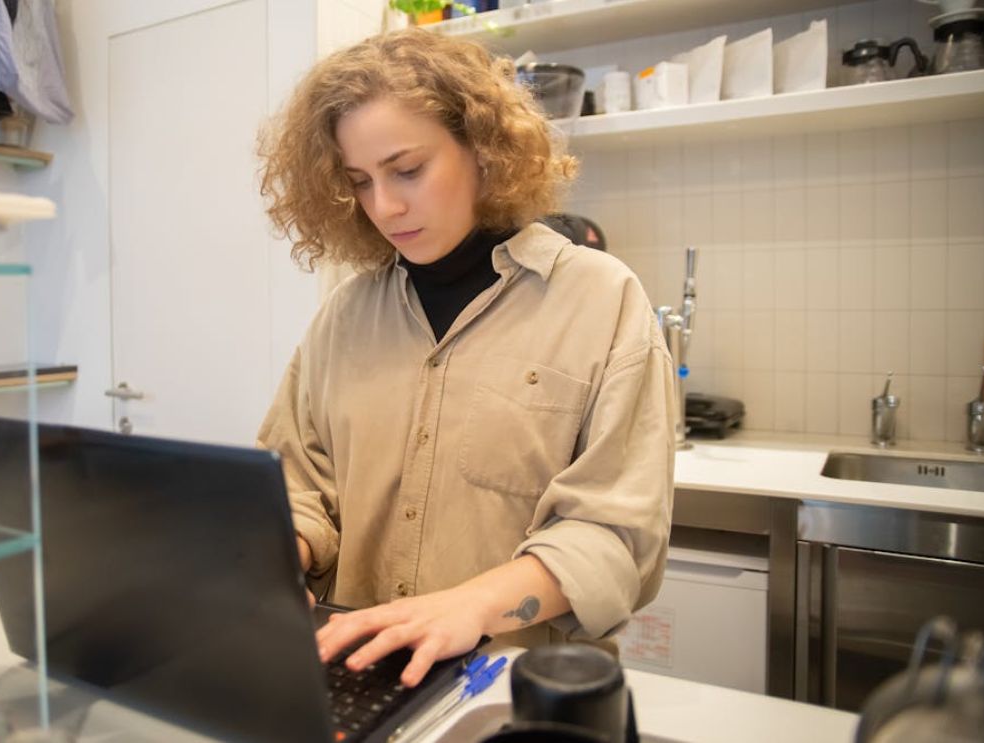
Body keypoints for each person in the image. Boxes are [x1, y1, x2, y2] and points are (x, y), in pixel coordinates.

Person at [255, 28, 675, 689]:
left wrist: (470, 604)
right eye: (359, 181)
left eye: (407, 170)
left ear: (483, 150)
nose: (384, 206)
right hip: (357, 674)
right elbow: (302, 484)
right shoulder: (345, 316)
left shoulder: (600, 299)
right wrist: (281, 549)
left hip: (512, 684)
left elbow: (611, 533)